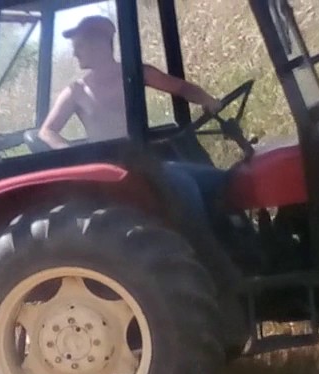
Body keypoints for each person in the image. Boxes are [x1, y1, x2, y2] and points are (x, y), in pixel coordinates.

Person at [33, 15, 231, 227]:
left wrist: (208, 100)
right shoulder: (77, 91)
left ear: (99, 43)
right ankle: (203, 247)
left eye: (79, 45)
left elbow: (181, 88)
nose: (74, 53)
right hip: (112, 168)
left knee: (221, 181)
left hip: (142, 161)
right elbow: (47, 131)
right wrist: (72, 153)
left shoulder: (135, 72)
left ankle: (234, 234)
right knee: (185, 186)